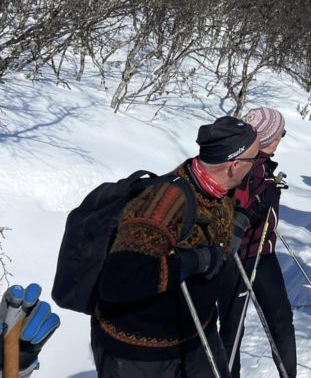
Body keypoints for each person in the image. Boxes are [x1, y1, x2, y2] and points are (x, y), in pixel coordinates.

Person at [92, 116, 260, 377]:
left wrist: (237, 225)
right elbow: (120, 281)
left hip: (197, 335)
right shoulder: (163, 203)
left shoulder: (216, 191)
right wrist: (194, 261)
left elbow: (217, 249)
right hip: (141, 352)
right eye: (254, 159)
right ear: (234, 165)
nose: (255, 166)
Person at [218, 107, 296, 378]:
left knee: (280, 319)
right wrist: (259, 204)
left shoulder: (260, 164)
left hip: (262, 252)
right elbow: (234, 214)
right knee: (233, 328)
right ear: (268, 138)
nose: (282, 138)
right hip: (238, 258)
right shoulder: (244, 165)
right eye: (281, 133)